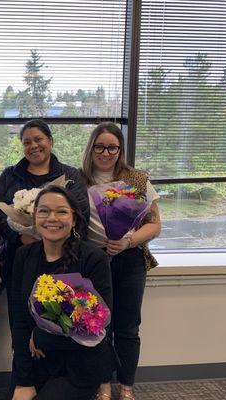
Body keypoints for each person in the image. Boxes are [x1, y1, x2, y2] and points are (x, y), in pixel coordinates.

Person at [81, 122, 161, 400]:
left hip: (130, 260)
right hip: (92, 261)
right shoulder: (78, 180)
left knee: (128, 326)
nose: (105, 152)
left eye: (112, 147)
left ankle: (126, 386)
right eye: (100, 146)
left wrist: (127, 241)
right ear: (91, 148)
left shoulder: (137, 179)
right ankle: (103, 383)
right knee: (98, 325)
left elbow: (154, 225)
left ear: (120, 149)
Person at [11, 185, 115, 400]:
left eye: (61, 211)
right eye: (44, 211)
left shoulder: (93, 258)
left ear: (74, 219)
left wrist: (41, 337)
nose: (52, 218)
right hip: (37, 359)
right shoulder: (24, 256)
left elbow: (98, 324)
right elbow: (19, 320)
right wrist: (23, 381)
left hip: (80, 362)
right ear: (35, 217)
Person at [0, 119, 90, 331]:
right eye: (27, 142)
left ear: (50, 141)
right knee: (21, 326)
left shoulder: (71, 176)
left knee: (60, 323)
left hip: (62, 262)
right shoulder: (10, 175)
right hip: (19, 261)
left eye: (38, 139)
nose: (33, 146)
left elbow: (81, 216)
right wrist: (20, 237)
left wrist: (54, 240)